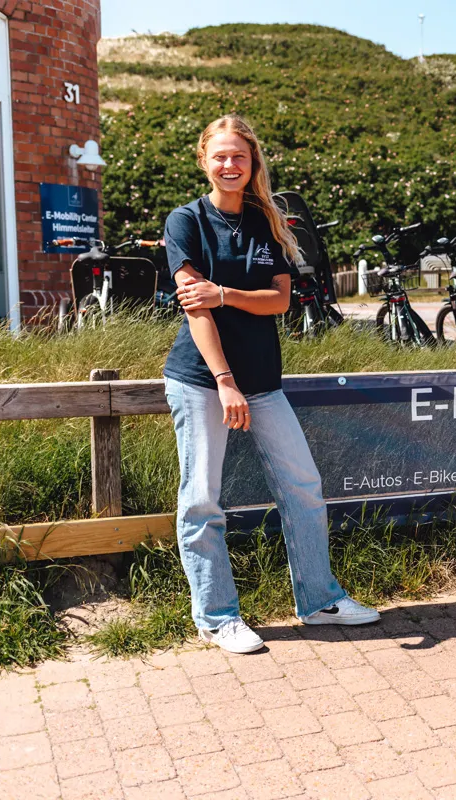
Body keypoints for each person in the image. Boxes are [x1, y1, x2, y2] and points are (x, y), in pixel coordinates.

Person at [163, 114, 379, 655]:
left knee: (303, 487)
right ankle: (217, 617)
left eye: (239, 156)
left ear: (252, 161)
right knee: (202, 500)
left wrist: (225, 293)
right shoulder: (186, 221)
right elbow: (195, 309)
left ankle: (320, 601)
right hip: (203, 379)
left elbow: (279, 301)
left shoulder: (267, 222)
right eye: (220, 156)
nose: (229, 164)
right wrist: (224, 380)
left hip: (262, 381)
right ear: (204, 160)